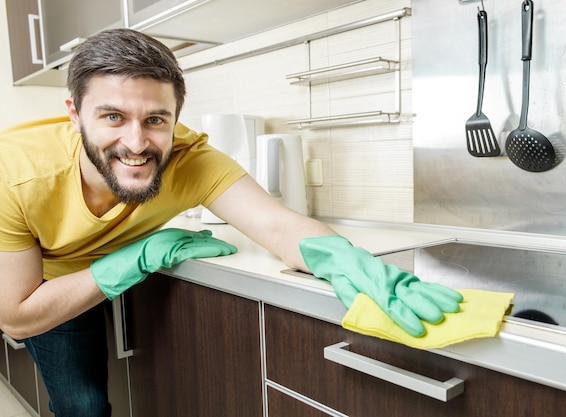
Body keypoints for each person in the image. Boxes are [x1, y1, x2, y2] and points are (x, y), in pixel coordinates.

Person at [0, 28, 462, 417]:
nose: (137, 143)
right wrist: (136, 257)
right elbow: (17, 317)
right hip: (44, 280)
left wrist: (342, 257)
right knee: (82, 405)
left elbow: (279, 226)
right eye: (113, 117)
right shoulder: (13, 174)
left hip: (100, 266)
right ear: (75, 115)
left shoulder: (192, 160)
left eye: (156, 119)